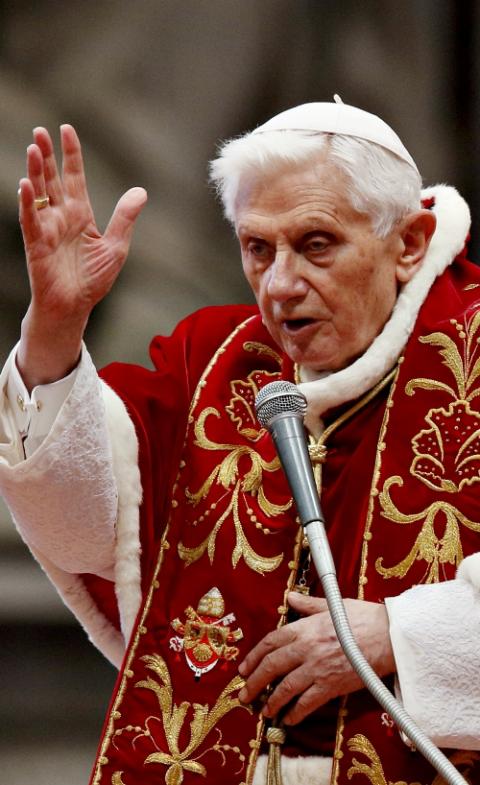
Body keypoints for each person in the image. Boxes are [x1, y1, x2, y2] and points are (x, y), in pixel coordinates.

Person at [0, 98, 480, 785]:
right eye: (258, 248)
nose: (280, 285)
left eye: (316, 244)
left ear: (407, 241)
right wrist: (54, 329)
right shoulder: (213, 361)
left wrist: (402, 637)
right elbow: (81, 531)